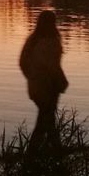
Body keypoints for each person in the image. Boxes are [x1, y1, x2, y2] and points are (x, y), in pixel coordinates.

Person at [19, 10, 68, 153]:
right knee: (46, 122)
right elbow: (52, 67)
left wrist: (32, 78)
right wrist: (60, 82)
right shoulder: (50, 41)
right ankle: (52, 155)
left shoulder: (32, 40)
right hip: (49, 89)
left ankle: (43, 155)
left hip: (36, 89)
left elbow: (22, 63)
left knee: (46, 120)